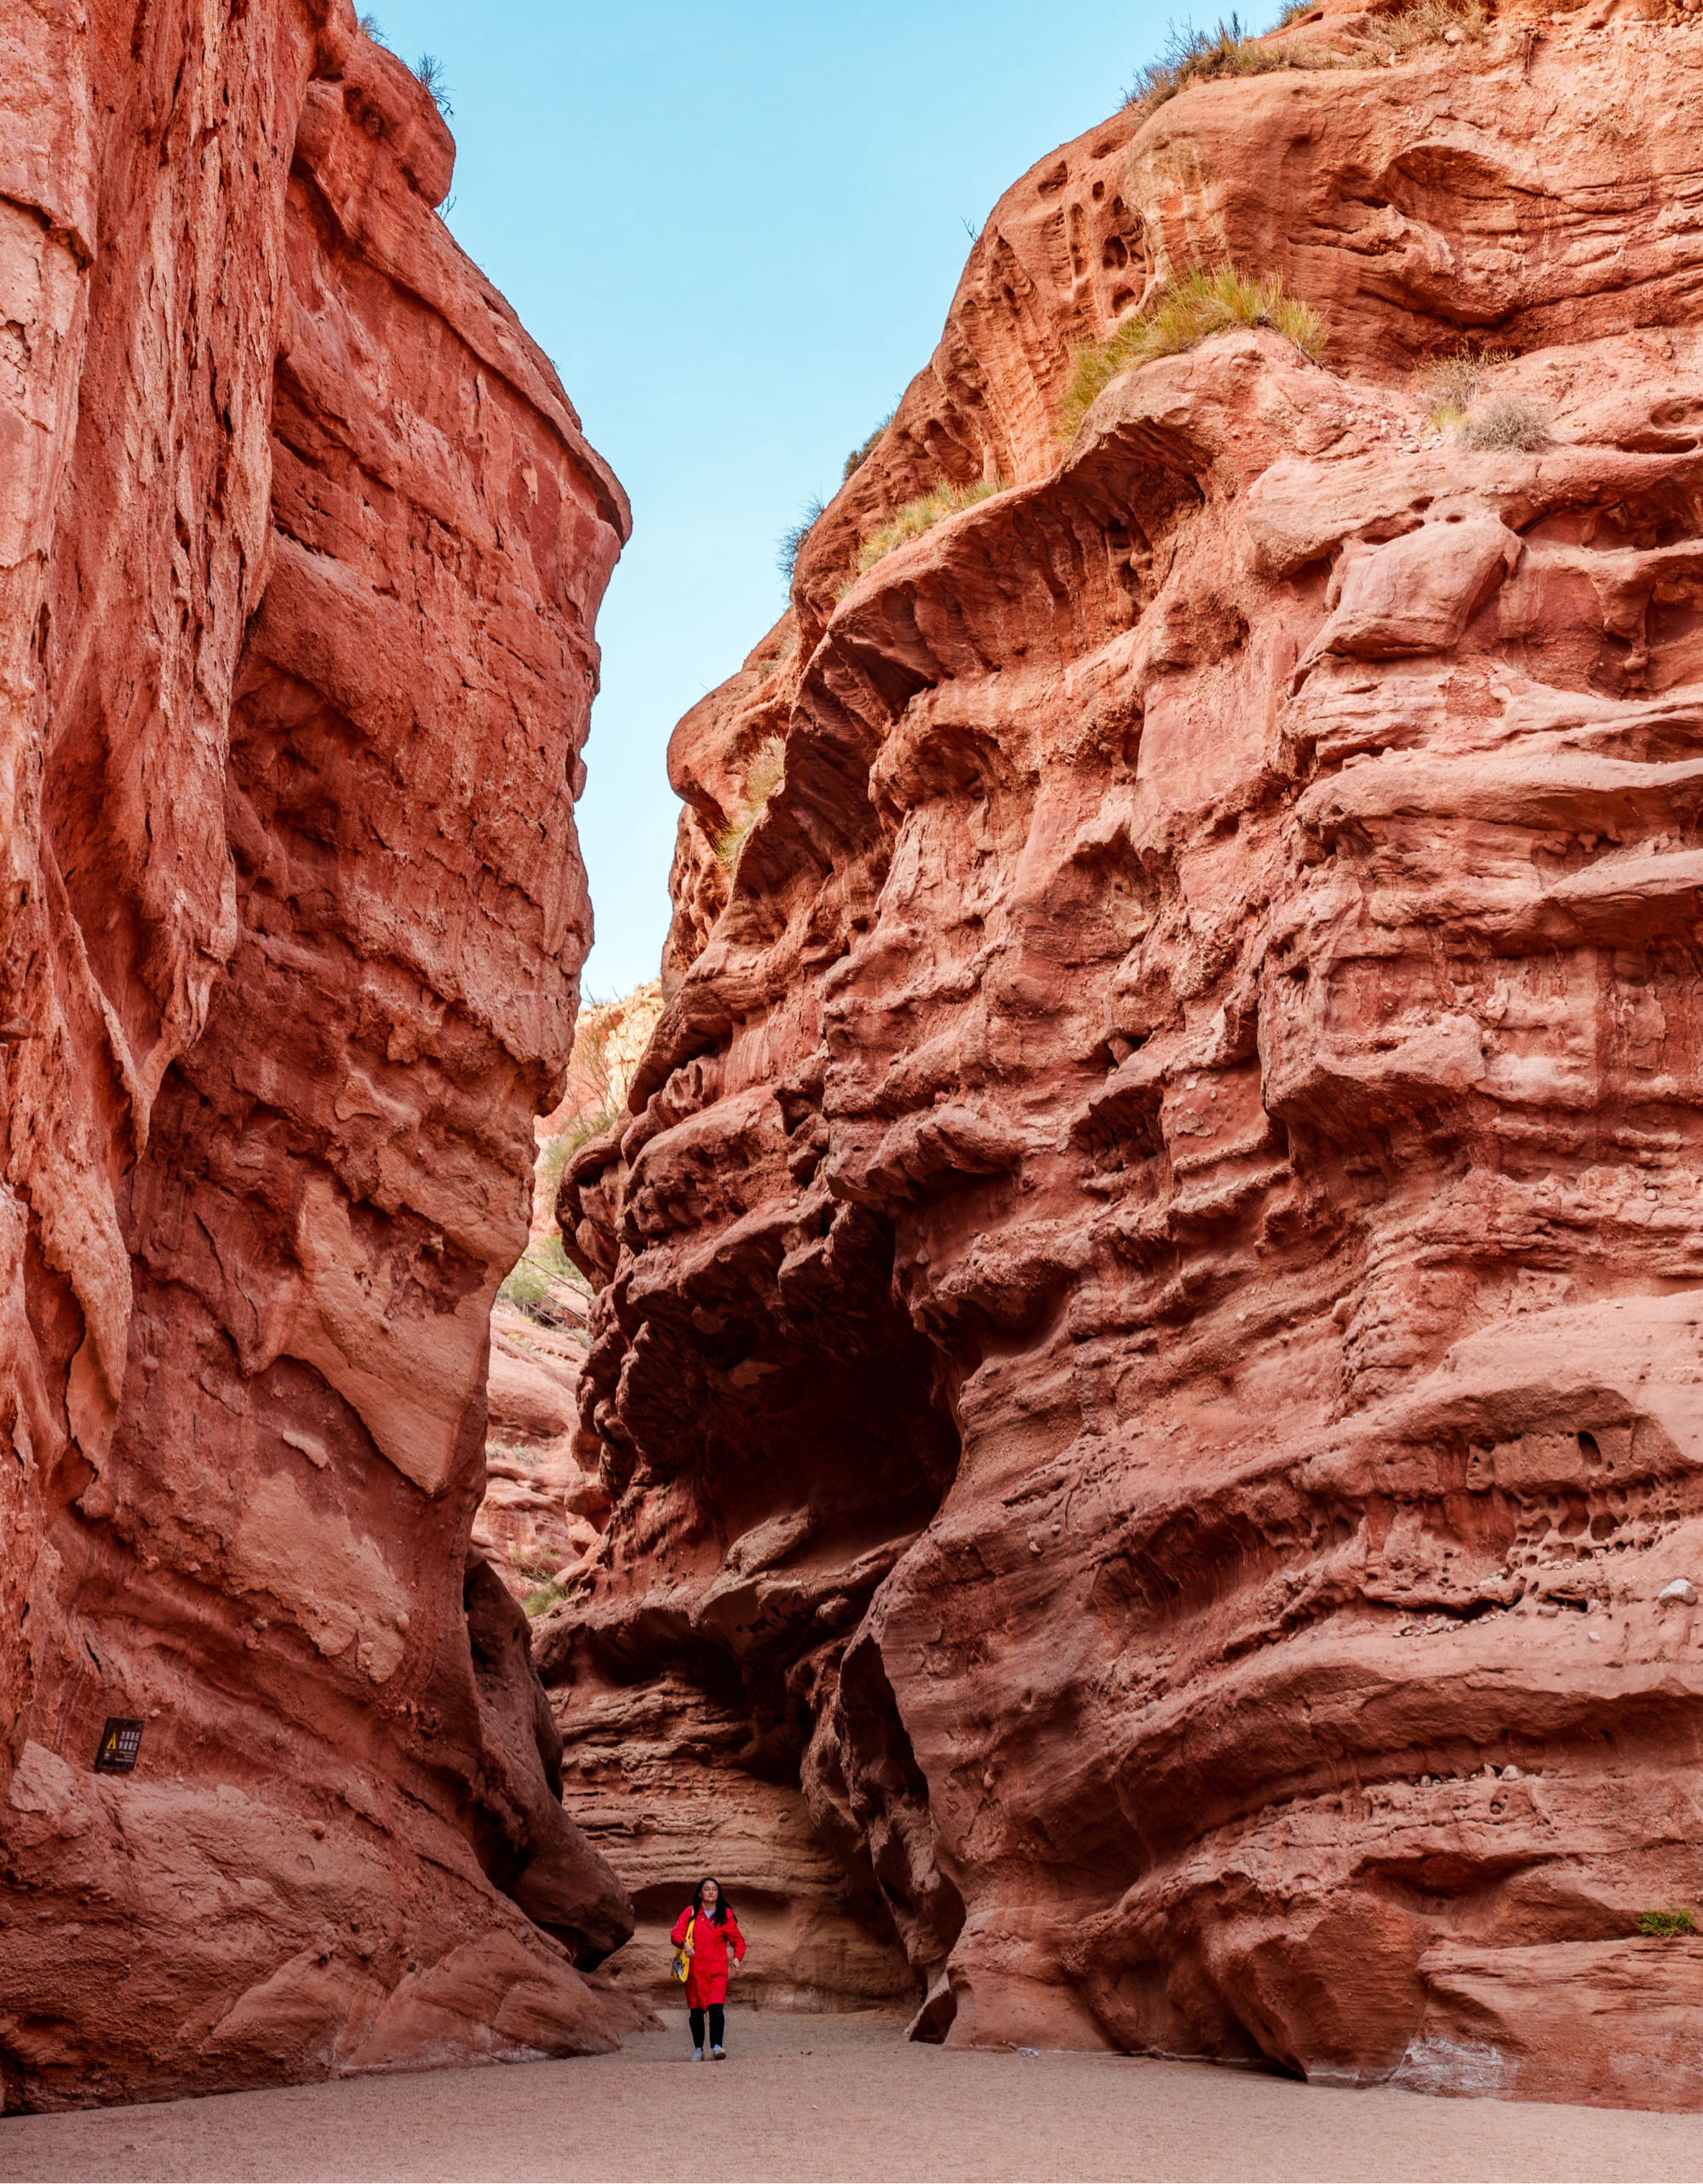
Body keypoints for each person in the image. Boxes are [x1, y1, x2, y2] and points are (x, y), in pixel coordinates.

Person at [670, 1875, 746, 2060]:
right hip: (695, 1971)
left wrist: (737, 1958)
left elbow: (738, 1941)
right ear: (700, 1893)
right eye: (707, 1889)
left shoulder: (725, 1915)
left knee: (716, 2009)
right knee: (696, 2011)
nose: (711, 1892)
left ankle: (717, 2046)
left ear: (718, 1894)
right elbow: (676, 1933)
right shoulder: (691, 1913)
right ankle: (698, 2049)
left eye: (714, 1889)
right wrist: (685, 1944)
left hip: (717, 1971)